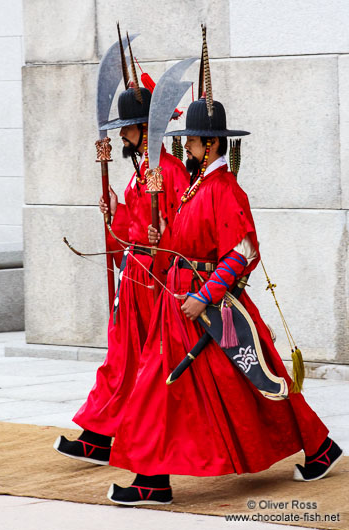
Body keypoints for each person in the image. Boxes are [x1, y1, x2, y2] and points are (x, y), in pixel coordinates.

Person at [106, 89, 343, 503]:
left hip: (208, 307)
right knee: (162, 387)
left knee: (255, 383)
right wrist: (160, 236)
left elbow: (243, 251)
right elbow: (187, 241)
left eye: (192, 140)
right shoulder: (196, 186)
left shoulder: (226, 189)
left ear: (210, 144)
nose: (186, 146)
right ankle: (153, 479)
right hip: (179, 305)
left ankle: (318, 446)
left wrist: (205, 295)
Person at [53, 64, 190, 465]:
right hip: (136, 279)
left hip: (156, 284)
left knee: (143, 366)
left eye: (128, 127)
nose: (121, 134)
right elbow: (127, 235)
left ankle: (116, 438)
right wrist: (114, 212)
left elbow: (181, 235)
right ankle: (98, 434)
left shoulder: (168, 171)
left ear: (146, 128)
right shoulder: (141, 173)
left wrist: (159, 242)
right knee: (122, 361)